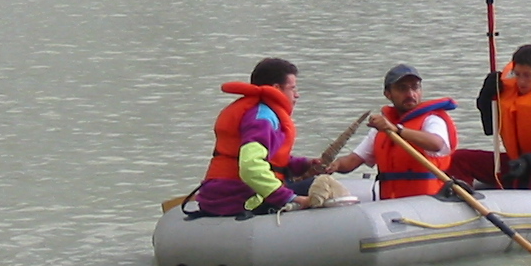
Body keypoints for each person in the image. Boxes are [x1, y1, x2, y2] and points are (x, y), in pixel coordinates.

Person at [194, 57, 323, 216]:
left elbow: (270, 159)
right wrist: (288, 198)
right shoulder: (262, 118)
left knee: (312, 184)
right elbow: (250, 166)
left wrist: (304, 164)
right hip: (239, 198)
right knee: (322, 186)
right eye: (293, 88)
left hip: (219, 195)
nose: (297, 95)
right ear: (276, 88)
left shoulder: (254, 110)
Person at [447, 44, 531, 191]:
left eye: (527, 75)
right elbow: (490, 129)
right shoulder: (508, 96)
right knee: (460, 158)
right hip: (518, 162)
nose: (521, 81)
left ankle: (530, 206)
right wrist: (485, 99)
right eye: (517, 74)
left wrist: (527, 162)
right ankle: (460, 203)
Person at [327, 64, 458, 199]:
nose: (410, 94)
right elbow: (352, 162)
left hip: (428, 202)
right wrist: (335, 165)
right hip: (392, 205)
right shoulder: (383, 128)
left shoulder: (432, 120)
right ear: (388, 94)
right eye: (402, 88)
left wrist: (397, 130)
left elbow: (436, 144)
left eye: (415, 87)